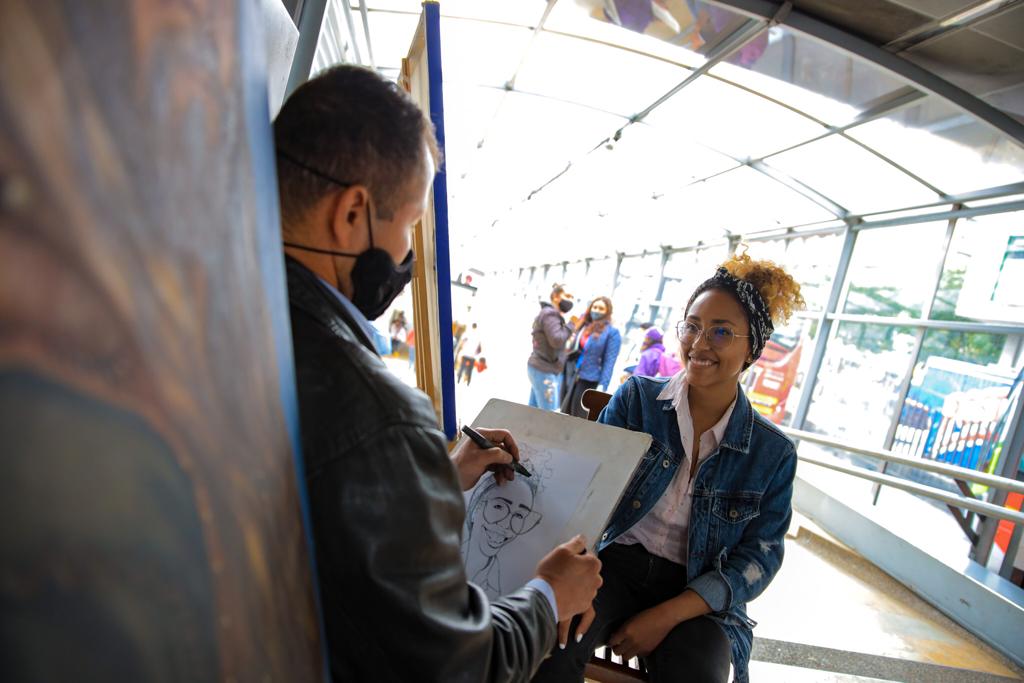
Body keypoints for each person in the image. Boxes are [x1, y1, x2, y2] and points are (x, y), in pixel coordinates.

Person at [274, 64, 602, 682]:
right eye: (409, 226)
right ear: (352, 214)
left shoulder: (204, 314)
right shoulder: (378, 413)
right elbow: (453, 666)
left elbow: (314, 513)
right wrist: (549, 596)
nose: (404, 256)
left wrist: (437, 480)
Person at [532, 252, 805, 683]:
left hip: (696, 594)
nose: (699, 344)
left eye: (721, 331)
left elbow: (759, 558)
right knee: (552, 641)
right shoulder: (638, 400)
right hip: (613, 568)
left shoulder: (772, 455)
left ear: (752, 346)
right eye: (693, 326)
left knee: (699, 672)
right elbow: (590, 492)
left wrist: (667, 615)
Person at [560, 296, 622, 418]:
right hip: (573, 375)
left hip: (590, 380)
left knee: (579, 416)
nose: (596, 310)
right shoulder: (584, 326)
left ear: (607, 312)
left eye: (601, 308)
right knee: (565, 412)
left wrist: (603, 385)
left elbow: (609, 361)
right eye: (594, 307)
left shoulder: (612, 333)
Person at [527, 284, 574, 410]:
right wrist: (571, 326)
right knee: (549, 415)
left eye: (572, 297)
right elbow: (557, 340)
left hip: (540, 367)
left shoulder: (548, 314)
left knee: (532, 412)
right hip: (544, 369)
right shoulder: (550, 315)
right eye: (567, 296)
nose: (570, 300)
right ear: (556, 297)